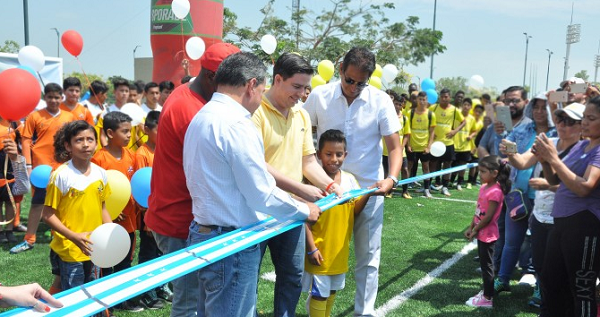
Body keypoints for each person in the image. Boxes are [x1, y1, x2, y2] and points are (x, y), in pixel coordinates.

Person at [183, 51, 321, 317]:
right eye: (262, 88)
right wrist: (305, 210)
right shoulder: (237, 124)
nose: (261, 96)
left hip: (203, 231)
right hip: (231, 240)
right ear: (251, 85)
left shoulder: (203, 116)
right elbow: (262, 194)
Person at [304, 46, 402, 317]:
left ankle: (365, 312)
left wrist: (391, 178)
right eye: (349, 80)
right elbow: (300, 133)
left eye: (361, 82)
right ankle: (315, 307)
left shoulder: (381, 101)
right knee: (320, 255)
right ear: (340, 70)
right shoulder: (319, 96)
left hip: (368, 191)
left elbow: (394, 147)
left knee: (369, 258)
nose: (354, 87)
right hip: (327, 193)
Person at [145, 42, 240, 317]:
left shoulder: (186, 92)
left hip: (177, 216)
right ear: (212, 77)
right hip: (179, 222)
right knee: (188, 304)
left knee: (195, 300)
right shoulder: (194, 113)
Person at [252, 52, 341, 317]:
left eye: (305, 88)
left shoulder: (301, 115)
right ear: (277, 79)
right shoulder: (255, 112)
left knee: (292, 275)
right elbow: (256, 165)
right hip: (256, 211)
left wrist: (329, 185)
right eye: (297, 87)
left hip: (291, 212)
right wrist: (300, 190)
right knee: (249, 280)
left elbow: (308, 162)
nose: (303, 94)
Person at [501, 102, 584, 312]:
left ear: (583, 126)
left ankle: (554, 303)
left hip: (565, 219)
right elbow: (521, 163)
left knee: (561, 271)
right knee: (539, 265)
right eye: (560, 119)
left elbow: (581, 188)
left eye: (571, 121)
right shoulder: (549, 141)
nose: (563, 125)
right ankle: (545, 299)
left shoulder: (586, 151)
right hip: (540, 216)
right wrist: (510, 152)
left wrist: (547, 184)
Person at [533, 96, 600, 317]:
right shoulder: (582, 144)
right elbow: (555, 182)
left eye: (591, 118)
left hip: (584, 225)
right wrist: (544, 159)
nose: (585, 123)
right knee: (551, 281)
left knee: (581, 288)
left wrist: (554, 158)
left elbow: (585, 187)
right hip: (561, 223)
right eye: (584, 118)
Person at [303, 129, 372, 317]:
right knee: (319, 294)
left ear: (345, 155)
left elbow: (354, 210)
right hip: (320, 250)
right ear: (318, 155)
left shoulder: (350, 180)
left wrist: (369, 192)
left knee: (332, 291)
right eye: (328, 154)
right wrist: (311, 248)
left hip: (339, 250)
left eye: (339, 154)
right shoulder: (311, 181)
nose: (334, 159)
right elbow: (304, 220)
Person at [495, 92, 556, 294]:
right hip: (518, 194)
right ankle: (502, 279)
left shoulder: (560, 133)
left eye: (544, 107)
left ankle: (540, 287)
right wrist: (507, 150)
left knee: (542, 248)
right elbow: (516, 158)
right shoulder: (522, 128)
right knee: (512, 242)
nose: (539, 112)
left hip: (548, 198)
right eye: (536, 107)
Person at [41, 121, 111, 294]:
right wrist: (73, 237)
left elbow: (102, 208)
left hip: (95, 246)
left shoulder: (101, 173)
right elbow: (47, 214)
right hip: (69, 249)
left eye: (90, 139)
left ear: (96, 143)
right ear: (68, 145)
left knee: (93, 291)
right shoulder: (60, 175)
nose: (85, 144)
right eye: (79, 140)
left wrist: (111, 234)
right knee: (74, 295)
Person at [10, 83, 76, 254]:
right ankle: (29, 239)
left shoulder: (70, 117)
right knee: (38, 202)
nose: (53, 100)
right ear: (45, 98)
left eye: (57, 97)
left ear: (61, 98)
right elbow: (25, 140)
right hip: (41, 167)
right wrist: (29, 166)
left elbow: (75, 139)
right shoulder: (35, 116)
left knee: (65, 201)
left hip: (63, 166)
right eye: (50, 97)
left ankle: (60, 234)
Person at [91, 111, 143, 312]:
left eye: (130, 131)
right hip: (106, 223)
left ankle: (123, 300)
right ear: (110, 133)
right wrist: (109, 210)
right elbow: (95, 190)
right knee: (106, 263)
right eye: (125, 132)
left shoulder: (131, 155)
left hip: (129, 220)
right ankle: (105, 304)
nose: (130, 135)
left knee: (125, 261)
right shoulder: (99, 159)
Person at [464, 155, 511, 308]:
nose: (480, 174)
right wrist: (471, 227)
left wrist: (476, 229)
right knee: (485, 266)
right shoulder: (484, 187)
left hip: (488, 235)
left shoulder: (496, 192)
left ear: (495, 173)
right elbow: (479, 210)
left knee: (487, 267)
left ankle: (487, 298)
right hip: (480, 232)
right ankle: (486, 292)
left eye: (483, 171)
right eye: (479, 171)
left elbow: (489, 217)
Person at [133, 110, 165, 310]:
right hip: (149, 213)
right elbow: (140, 187)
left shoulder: (163, 149)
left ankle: (160, 287)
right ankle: (147, 293)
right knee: (148, 253)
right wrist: (147, 217)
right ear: (147, 129)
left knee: (161, 251)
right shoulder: (142, 154)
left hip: (162, 210)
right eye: (157, 129)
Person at [429, 88, 466, 196]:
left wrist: (455, 131)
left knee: (447, 165)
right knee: (433, 164)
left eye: (446, 97)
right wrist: (430, 132)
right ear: (439, 97)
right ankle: (428, 186)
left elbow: (464, 122)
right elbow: (427, 119)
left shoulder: (454, 110)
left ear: (450, 98)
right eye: (442, 97)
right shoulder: (433, 107)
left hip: (448, 143)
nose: (444, 99)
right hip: (435, 143)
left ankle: (445, 187)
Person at [406, 91, 436, 198]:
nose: (422, 101)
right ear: (417, 100)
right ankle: (405, 189)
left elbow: (432, 132)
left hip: (424, 147)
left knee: (425, 167)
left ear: (427, 101)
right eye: (420, 99)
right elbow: (407, 131)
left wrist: (428, 146)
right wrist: (408, 145)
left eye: (424, 99)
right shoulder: (410, 113)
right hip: (412, 146)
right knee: (408, 166)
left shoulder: (430, 114)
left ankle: (426, 189)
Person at [0, 138, 29, 244]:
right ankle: (0, 232)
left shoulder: (14, 126)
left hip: (10, 162)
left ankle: (9, 230)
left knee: (9, 200)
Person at [452, 98, 477, 191]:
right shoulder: (456, 115)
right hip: (453, 145)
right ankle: (449, 181)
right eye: (464, 105)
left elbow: (474, 131)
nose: (466, 107)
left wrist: (471, 136)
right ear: (462, 105)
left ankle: (459, 183)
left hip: (465, 147)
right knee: (451, 165)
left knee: (462, 166)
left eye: (468, 105)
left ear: (470, 107)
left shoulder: (472, 119)